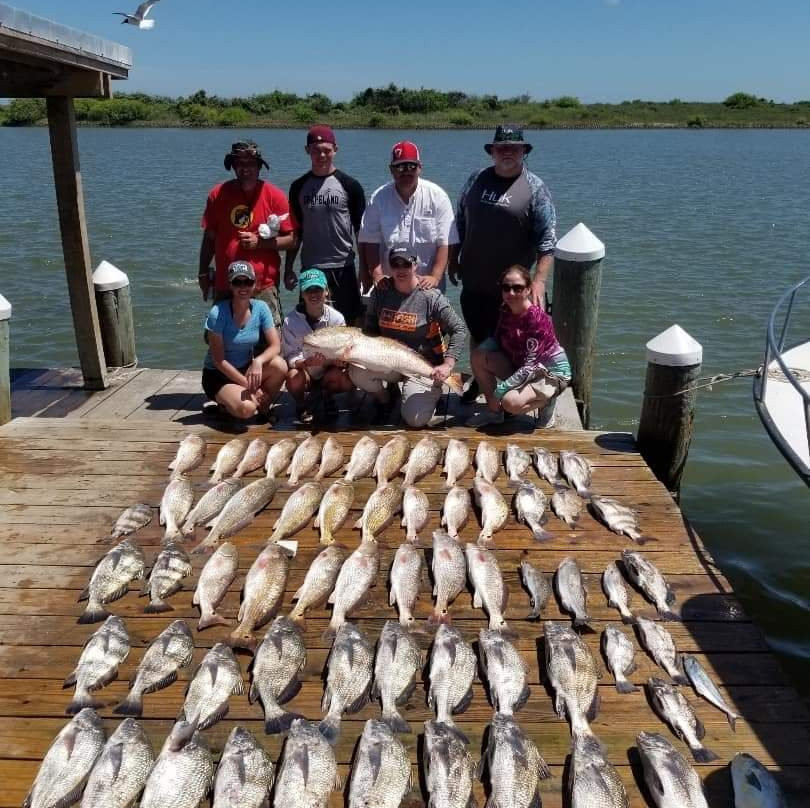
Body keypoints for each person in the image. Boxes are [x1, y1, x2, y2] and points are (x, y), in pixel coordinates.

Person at [449, 124, 557, 400]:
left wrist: (540, 281)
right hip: (474, 281)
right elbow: (459, 221)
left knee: (512, 343)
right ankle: (480, 379)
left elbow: (547, 242)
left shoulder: (536, 188)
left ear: (524, 151)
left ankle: (516, 397)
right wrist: (453, 258)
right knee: (478, 334)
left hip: (512, 290)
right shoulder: (475, 179)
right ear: (492, 151)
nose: (507, 152)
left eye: (514, 148)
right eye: (501, 148)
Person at [353, 244, 467, 427]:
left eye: (406, 263)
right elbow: (370, 330)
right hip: (389, 361)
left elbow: (459, 329)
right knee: (356, 371)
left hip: (424, 365)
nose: (400, 269)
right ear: (389, 266)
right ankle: (386, 398)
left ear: (415, 265)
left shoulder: (431, 296)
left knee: (415, 419)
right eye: (395, 264)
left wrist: (448, 364)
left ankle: (434, 390)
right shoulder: (380, 292)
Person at [198, 140, 296, 327]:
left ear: (259, 167)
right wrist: (203, 273)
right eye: (240, 164)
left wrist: (260, 243)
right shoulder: (217, 195)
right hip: (225, 285)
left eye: (251, 164)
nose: (245, 169)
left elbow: (292, 240)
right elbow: (209, 237)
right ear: (233, 167)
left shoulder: (275, 196)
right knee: (220, 342)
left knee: (269, 345)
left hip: (263, 286)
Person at [466, 265, 571, 428]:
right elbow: (497, 339)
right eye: (506, 288)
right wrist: (480, 352)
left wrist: (502, 389)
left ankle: (547, 400)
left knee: (510, 402)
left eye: (518, 288)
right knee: (478, 357)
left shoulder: (537, 320)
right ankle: (494, 413)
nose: (511, 293)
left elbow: (531, 367)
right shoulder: (505, 310)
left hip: (549, 373)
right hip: (523, 365)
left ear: (528, 289)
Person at [285, 126, 367, 324]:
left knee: (349, 324)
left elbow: (361, 231)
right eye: (315, 150)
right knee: (311, 325)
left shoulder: (350, 185)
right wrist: (288, 268)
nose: (321, 155)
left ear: (335, 149)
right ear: (307, 151)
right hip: (311, 268)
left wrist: (364, 270)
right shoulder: (298, 187)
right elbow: (296, 231)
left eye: (326, 150)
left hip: (343, 267)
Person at [358, 141, 458, 292]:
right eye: (400, 166)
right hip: (390, 285)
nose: (406, 171)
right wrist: (377, 275)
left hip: (428, 284)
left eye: (412, 166)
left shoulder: (438, 197)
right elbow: (370, 242)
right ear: (391, 170)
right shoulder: (378, 198)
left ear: (420, 168)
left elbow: (445, 243)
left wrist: (435, 276)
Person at [202, 261, 288, 420]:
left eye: (248, 282)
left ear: (255, 284)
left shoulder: (261, 307)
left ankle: (263, 407)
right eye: (237, 282)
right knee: (247, 409)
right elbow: (218, 361)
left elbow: (276, 346)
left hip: (246, 368)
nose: (243, 287)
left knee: (280, 366)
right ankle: (226, 405)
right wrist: (250, 387)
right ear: (230, 285)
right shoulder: (217, 312)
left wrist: (258, 361)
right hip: (218, 375)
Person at [281, 268, 353, 423]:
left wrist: (340, 360)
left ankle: (327, 396)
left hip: (328, 371)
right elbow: (291, 357)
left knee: (346, 379)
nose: (314, 294)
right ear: (302, 293)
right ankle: (301, 404)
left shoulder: (337, 318)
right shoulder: (289, 321)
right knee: (293, 377)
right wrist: (307, 363)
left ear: (326, 291)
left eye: (318, 289)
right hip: (305, 372)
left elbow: (343, 350)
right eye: (309, 290)